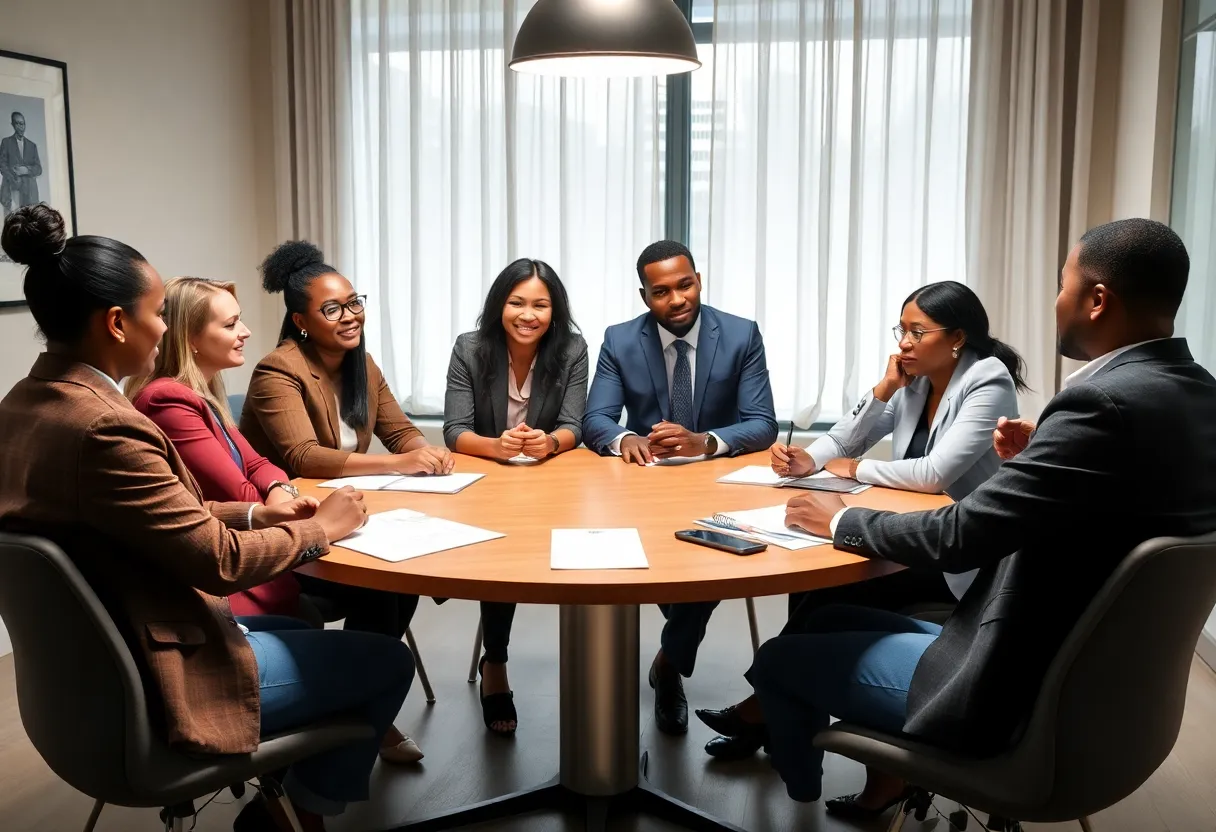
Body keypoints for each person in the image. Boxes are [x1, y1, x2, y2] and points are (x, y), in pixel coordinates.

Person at [748, 218, 1216, 806]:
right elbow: (1127, 502)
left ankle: (796, 804)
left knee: (778, 658)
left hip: (1011, 678)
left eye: (1062, 284)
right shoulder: (1195, 392)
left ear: (1097, 301)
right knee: (822, 618)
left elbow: (959, 535)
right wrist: (1044, 455)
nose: (1056, 300)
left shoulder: (1100, 402)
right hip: (1100, 679)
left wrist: (838, 521)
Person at [0, 204, 409, 832]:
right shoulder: (108, 427)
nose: (165, 328)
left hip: (86, 676)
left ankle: (287, 796)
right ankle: (292, 819)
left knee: (298, 630)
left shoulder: (22, 408)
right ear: (116, 323)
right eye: (157, 312)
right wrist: (321, 529)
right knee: (386, 663)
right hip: (161, 673)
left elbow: (163, 516)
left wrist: (256, 511)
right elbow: (219, 563)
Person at [696, 281, 1027, 806]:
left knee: (838, 588)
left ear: (958, 338)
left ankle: (778, 712)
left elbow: (935, 474)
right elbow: (849, 437)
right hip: (913, 532)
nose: (904, 343)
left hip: (960, 553)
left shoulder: (987, 380)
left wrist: (853, 468)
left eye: (917, 332)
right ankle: (781, 711)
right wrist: (830, 440)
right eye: (902, 330)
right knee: (814, 581)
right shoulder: (916, 381)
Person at [126, 276, 425, 764]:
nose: (246, 331)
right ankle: (359, 703)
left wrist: (278, 489)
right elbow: (249, 489)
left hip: (266, 535)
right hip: (236, 567)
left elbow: (261, 466)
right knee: (383, 588)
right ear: (190, 338)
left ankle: (360, 704)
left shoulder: (202, 392)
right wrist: (281, 501)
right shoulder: (170, 401)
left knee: (395, 578)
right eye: (231, 324)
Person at [582, 239, 778, 736]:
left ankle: (668, 664)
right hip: (643, 491)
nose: (676, 299)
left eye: (685, 285)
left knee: (706, 564)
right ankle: (671, 659)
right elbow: (595, 419)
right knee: (683, 571)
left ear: (699, 280)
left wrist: (704, 441)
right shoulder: (620, 340)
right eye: (661, 291)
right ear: (645, 296)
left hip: (720, 488)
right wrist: (624, 438)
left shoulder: (740, 335)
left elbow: (762, 423)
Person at [443, 258, 588, 736]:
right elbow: (455, 430)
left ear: (554, 310)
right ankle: (496, 662)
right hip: (488, 482)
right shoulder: (469, 348)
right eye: (517, 303)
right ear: (499, 306)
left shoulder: (571, 349)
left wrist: (550, 443)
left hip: (549, 482)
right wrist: (496, 447)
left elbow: (574, 426)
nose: (528, 315)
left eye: (540, 305)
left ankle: (591, 669)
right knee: (499, 556)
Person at [0, 112, 41, 215]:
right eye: (17, 123)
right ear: (13, 125)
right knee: (12, 220)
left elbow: (38, 169)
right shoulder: (6, 142)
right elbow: (2, 166)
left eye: (22, 123)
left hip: (29, 194)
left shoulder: (32, 146)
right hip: (11, 192)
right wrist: (13, 179)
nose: (21, 127)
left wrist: (26, 170)